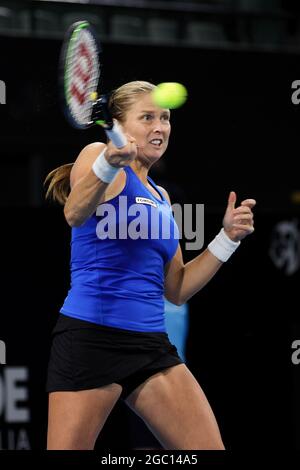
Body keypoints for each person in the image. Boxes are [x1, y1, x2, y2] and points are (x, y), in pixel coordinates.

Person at [44, 80, 255, 450]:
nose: (160, 127)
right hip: (91, 338)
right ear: (120, 125)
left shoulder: (160, 196)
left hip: (150, 345)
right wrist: (109, 163)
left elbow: (176, 289)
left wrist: (226, 240)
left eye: (165, 118)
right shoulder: (98, 154)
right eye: (147, 118)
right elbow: (75, 213)